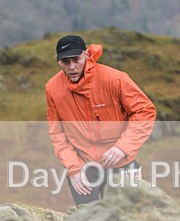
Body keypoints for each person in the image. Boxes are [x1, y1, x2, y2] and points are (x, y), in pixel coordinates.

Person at [46, 34, 156, 205]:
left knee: (127, 220)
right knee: (87, 219)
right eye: (65, 62)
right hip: (84, 167)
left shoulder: (116, 79)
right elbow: (57, 134)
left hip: (122, 163)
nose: (72, 67)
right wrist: (74, 170)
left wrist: (123, 148)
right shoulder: (52, 88)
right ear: (57, 60)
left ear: (87, 54)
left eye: (76, 59)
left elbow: (145, 111)